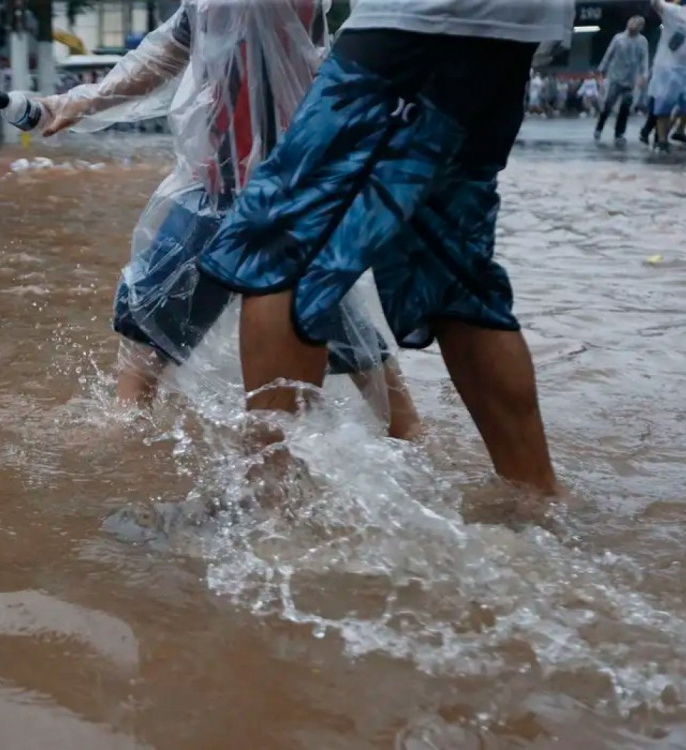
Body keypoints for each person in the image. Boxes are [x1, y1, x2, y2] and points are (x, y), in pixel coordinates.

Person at [196, 0, 574, 498]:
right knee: (454, 276)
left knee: (279, 243)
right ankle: (536, 503)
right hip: (506, 32)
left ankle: (265, 503)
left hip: (421, 24)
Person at [36, 0, 422, 439]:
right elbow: (167, 52)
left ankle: (405, 436)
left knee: (334, 324)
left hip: (284, 188)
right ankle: (122, 443)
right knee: (152, 314)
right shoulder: (204, 6)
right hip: (219, 185)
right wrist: (81, 102)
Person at [596, 15, 649, 144]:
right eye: (632, 23)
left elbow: (644, 59)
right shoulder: (618, 38)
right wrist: (601, 70)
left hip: (631, 79)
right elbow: (608, 54)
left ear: (640, 28)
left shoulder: (642, 41)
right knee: (608, 105)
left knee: (625, 106)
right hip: (615, 77)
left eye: (637, 25)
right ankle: (599, 127)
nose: (633, 26)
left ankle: (619, 133)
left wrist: (643, 75)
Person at [649, 0, 686, 152]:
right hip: (669, 68)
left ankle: (675, 132)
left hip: (684, 69)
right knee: (664, 106)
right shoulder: (674, 11)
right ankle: (662, 140)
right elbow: (656, 4)